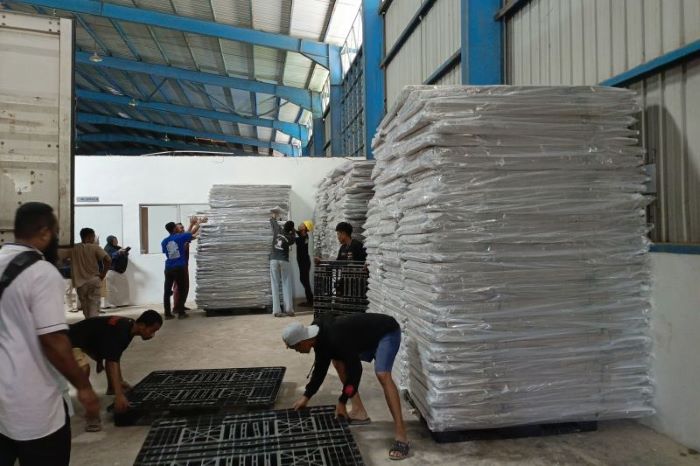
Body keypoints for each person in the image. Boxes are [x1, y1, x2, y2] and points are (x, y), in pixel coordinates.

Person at [0, 202, 100, 466]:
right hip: (34, 406)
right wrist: (84, 387)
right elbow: (53, 341)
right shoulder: (41, 272)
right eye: (55, 232)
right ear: (44, 232)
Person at [283, 313, 410, 460]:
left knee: (383, 374)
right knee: (338, 362)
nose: (297, 351)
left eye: (295, 348)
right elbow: (320, 369)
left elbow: (355, 372)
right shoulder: (318, 336)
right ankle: (359, 412)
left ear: (302, 341)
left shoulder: (335, 339)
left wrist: (342, 400)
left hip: (386, 332)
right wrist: (306, 396)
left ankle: (402, 436)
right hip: (364, 337)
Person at [69, 310, 163, 431]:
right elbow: (111, 362)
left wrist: (119, 381)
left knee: (113, 365)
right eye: (152, 331)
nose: (152, 335)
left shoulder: (129, 327)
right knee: (83, 369)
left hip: (84, 340)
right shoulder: (122, 332)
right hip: (69, 341)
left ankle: (111, 388)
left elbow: (114, 356)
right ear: (142, 325)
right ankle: (91, 414)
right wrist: (119, 395)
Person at [161, 217, 204, 319]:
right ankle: (181, 313)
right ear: (175, 229)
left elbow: (165, 252)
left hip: (168, 267)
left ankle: (167, 314)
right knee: (181, 289)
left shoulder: (164, 241)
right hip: (179, 267)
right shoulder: (180, 237)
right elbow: (191, 233)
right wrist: (199, 223)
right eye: (178, 227)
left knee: (167, 291)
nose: (180, 228)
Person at [72, 227, 111, 319]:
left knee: (85, 308)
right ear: (88, 237)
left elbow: (63, 260)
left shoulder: (73, 248)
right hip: (94, 280)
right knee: (94, 306)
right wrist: (103, 274)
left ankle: (89, 324)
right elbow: (108, 259)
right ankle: (94, 325)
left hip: (80, 283)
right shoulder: (95, 247)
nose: (94, 239)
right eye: (93, 237)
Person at [269, 210, 295, 317]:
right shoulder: (290, 238)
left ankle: (276, 311)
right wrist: (292, 231)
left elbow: (273, 222)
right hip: (284, 260)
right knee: (286, 283)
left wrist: (274, 216)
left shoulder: (277, 230)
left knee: (275, 284)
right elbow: (293, 238)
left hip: (274, 259)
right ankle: (289, 309)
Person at [103, 236, 131, 308]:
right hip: (111, 271)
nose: (116, 241)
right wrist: (118, 253)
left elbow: (122, 256)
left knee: (123, 288)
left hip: (120, 271)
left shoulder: (119, 248)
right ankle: (108, 304)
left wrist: (124, 253)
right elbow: (109, 257)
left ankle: (122, 303)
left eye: (116, 240)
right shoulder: (107, 249)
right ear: (110, 241)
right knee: (110, 289)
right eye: (114, 240)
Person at [295, 220, 314, 307]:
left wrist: (291, 233)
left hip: (304, 262)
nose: (300, 225)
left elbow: (296, 240)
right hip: (303, 261)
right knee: (304, 280)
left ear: (304, 228)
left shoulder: (304, 237)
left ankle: (310, 300)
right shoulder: (304, 235)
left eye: (302, 224)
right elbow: (298, 233)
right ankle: (310, 300)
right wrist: (292, 229)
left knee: (304, 280)